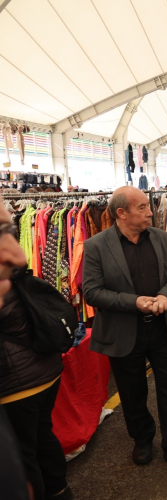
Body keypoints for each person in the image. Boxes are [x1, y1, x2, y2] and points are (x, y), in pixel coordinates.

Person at [83, 187, 167, 466]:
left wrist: (165, 296)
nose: (150, 212)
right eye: (142, 207)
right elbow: (92, 292)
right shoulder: (97, 245)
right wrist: (134, 302)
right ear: (122, 213)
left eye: (148, 206)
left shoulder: (161, 237)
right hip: (123, 331)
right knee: (132, 392)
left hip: (162, 328)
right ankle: (142, 439)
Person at [0, 198, 69, 500]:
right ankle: (60, 490)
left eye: (9, 232)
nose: (19, 255)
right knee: (42, 435)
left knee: (25, 452)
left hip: (18, 385)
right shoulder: (18, 279)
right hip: (44, 369)